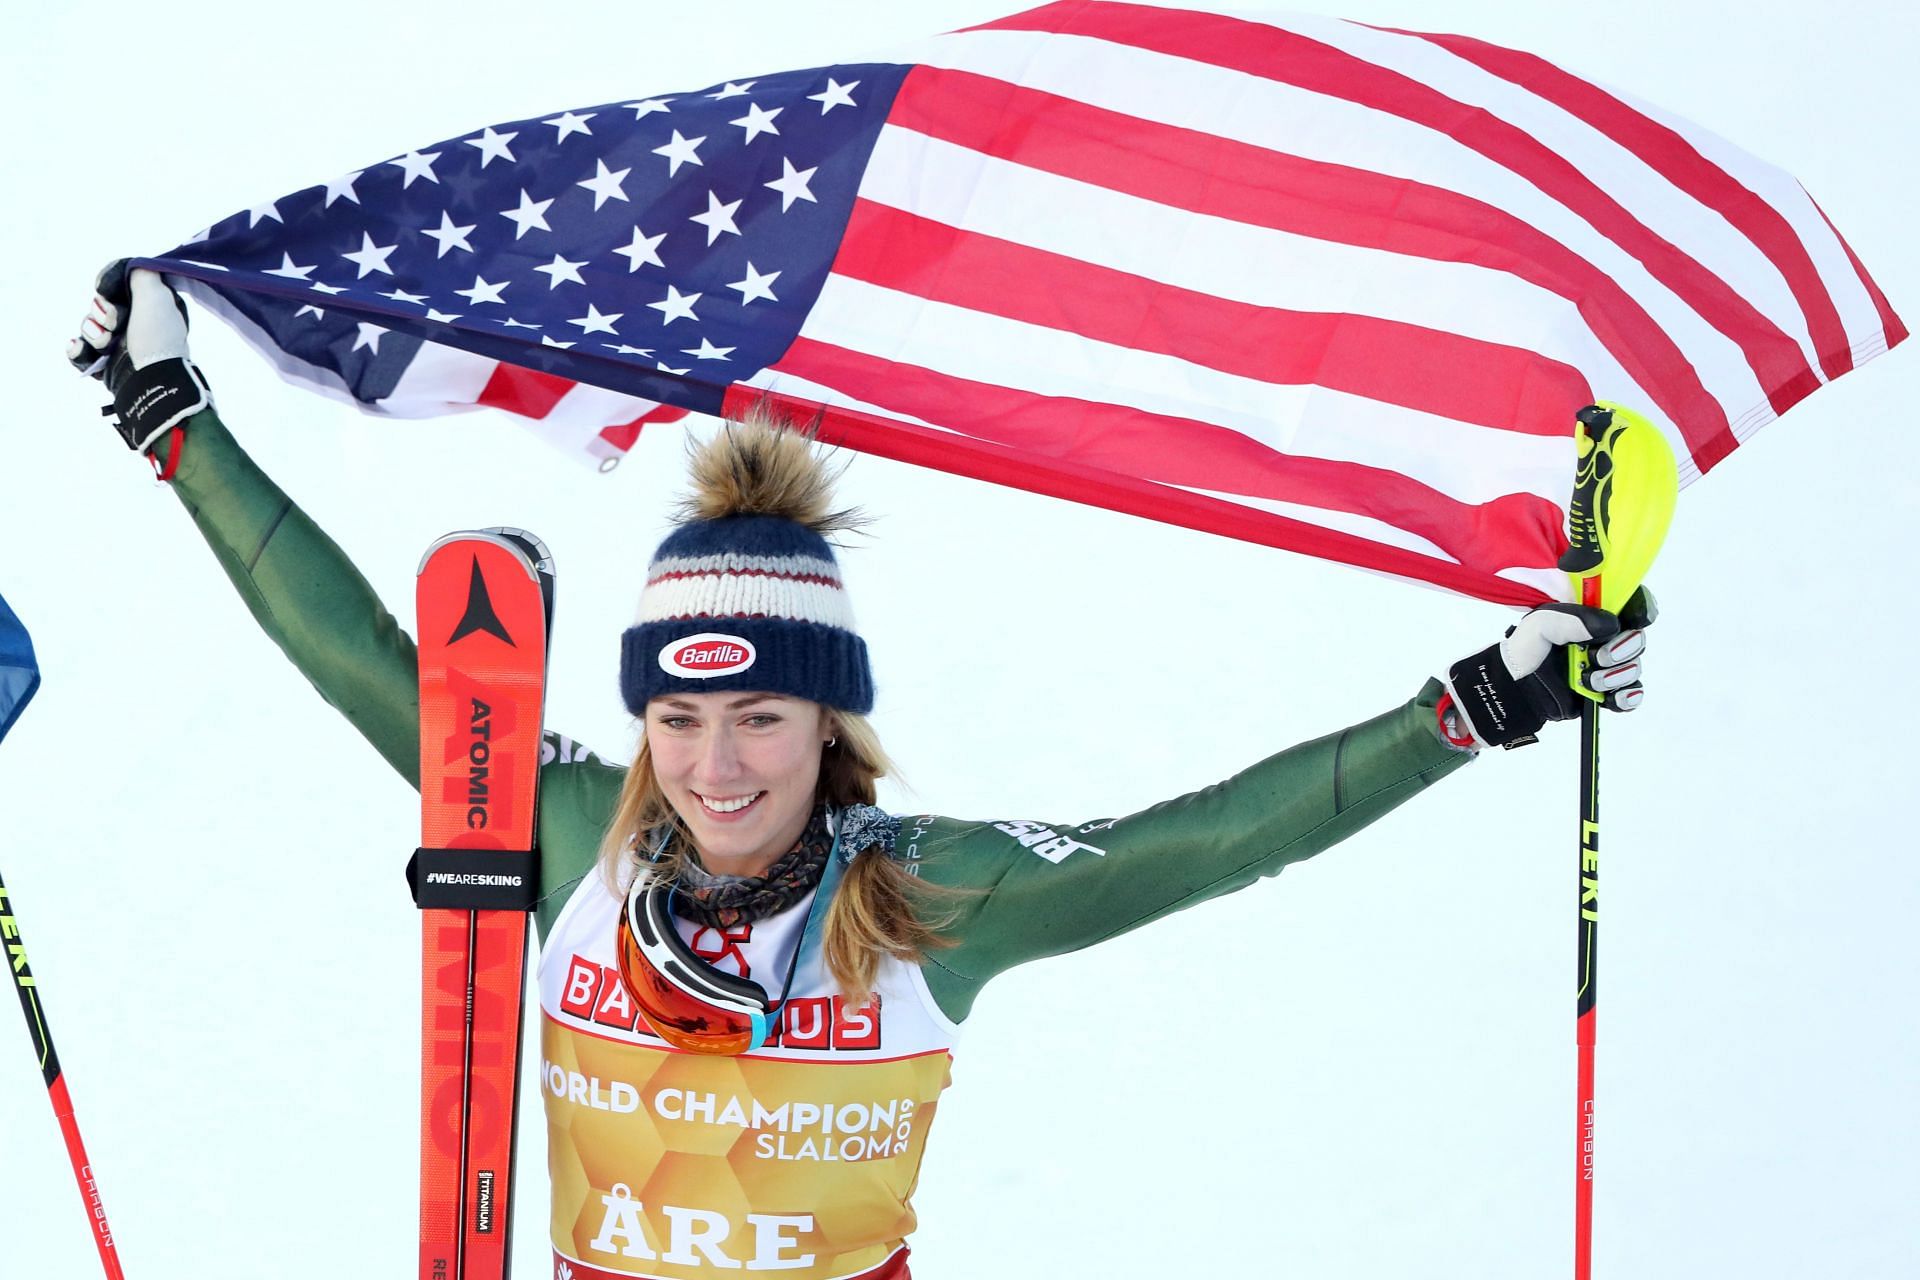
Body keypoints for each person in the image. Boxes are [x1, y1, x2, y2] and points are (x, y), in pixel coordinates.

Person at [70, 264, 1651, 1279]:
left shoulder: (925, 895)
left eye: (761, 716)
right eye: (680, 722)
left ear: (830, 725)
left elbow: (1205, 840)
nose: (714, 764)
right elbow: (368, 666)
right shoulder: (570, 841)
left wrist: (1473, 710)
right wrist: (168, 416)